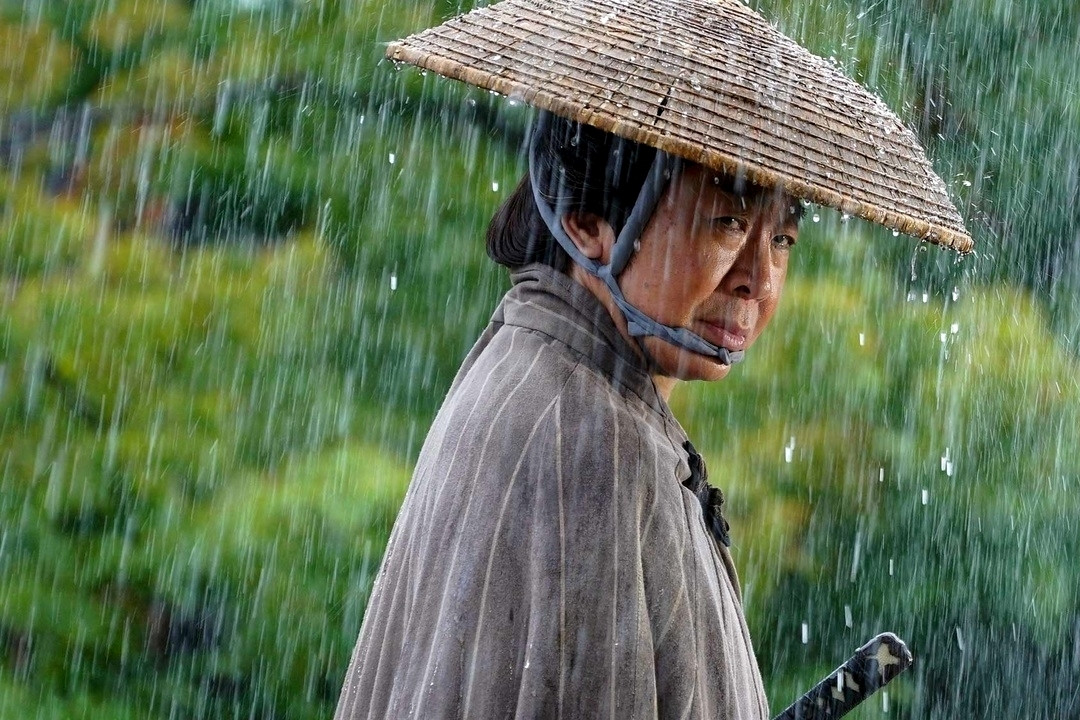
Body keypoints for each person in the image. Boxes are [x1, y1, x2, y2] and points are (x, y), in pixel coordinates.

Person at [338, 1, 970, 717]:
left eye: (782, 240)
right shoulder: (593, 445)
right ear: (589, 222)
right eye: (727, 222)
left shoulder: (533, 373)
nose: (757, 281)